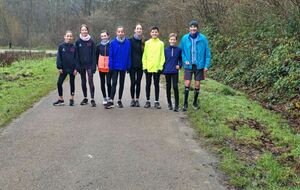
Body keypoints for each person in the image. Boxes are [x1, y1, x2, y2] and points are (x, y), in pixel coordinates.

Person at [180, 20, 211, 111]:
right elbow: (181, 51)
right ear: (189, 28)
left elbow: (207, 53)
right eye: (191, 27)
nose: (193, 28)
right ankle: (185, 103)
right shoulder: (185, 38)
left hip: (199, 66)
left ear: (197, 28)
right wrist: (185, 60)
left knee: (197, 84)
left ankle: (195, 102)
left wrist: (206, 66)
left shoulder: (203, 38)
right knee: (188, 83)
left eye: (195, 27)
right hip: (188, 65)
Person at [105, 26, 131, 109]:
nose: (120, 33)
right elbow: (111, 55)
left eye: (122, 31)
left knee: (122, 83)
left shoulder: (127, 42)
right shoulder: (112, 43)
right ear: (116, 33)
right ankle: (111, 100)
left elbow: (129, 55)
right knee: (114, 83)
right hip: (115, 66)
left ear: (124, 33)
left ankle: (119, 100)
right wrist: (110, 66)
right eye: (119, 31)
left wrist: (128, 65)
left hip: (123, 66)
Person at [53, 30, 79, 106]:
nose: (69, 37)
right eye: (68, 36)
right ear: (65, 37)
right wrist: (59, 67)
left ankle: (72, 99)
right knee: (59, 83)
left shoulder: (74, 47)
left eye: (70, 36)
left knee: (72, 83)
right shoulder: (61, 46)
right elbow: (58, 58)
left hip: (72, 69)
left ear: (72, 38)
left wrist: (76, 68)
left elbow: (76, 58)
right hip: (63, 69)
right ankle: (61, 99)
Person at [142, 26, 165, 109]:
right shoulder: (147, 43)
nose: (154, 33)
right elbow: (145, 55)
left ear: (158, 33)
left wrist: (160, 67)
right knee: (148, 84)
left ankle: (156, 101)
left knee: (156, 84)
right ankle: (148, 101)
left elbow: (162, 56)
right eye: (153, 32)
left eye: (156, 32)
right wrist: (144, 66)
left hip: (157, 67)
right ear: (150, 33)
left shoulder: (161, 43)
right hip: (148, 67)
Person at [75, 24, 97, 107]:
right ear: (80, 31)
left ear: (88, 31)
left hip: (90, 65)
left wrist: (94, 66)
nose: (84, 31)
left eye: (85, 30)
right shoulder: (77, 42)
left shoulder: (91, 42)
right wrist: (77, 66)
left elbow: (94, 55)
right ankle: (85, 98)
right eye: (82, 30)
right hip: (81, 65)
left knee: (90, 81)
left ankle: (92, 99)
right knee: (83, 82)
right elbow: (76, 55)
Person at [163, 33, 182, 112]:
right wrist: (163, 69)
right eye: (171, 39)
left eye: (174, 40)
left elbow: (180, 59)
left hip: (175, 71)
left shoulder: (179, 50)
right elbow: (163, 60)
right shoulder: (165, 49)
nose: (172, 41)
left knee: (175, 87)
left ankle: (176, 105)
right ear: (169, 40)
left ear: (176, 40)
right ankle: (169, 103)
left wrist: (180, 65)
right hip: (167, 71)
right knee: (168, 87)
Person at [129, 24, 144, 107]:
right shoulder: (130, 41)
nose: (139, 30)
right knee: (133, 82)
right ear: (135, 30)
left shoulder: (144, 41)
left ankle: (137, 99)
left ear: (142, 31)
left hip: (141, 66)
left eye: (140, 29)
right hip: (132, 66)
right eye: (137, 28)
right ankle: (132, 99)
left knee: (138, 82)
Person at [96, 30, 111, 105]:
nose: (103, 37)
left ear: (108, 36)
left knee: (108, 83)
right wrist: (96, 65)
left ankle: (109, 97)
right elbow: (96, 56)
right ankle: (104, 97)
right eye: (102, 36)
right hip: (101, 67)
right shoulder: (98, 46)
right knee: (102, 83)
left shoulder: (111, 44)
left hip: (109, 67)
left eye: (105, 36)